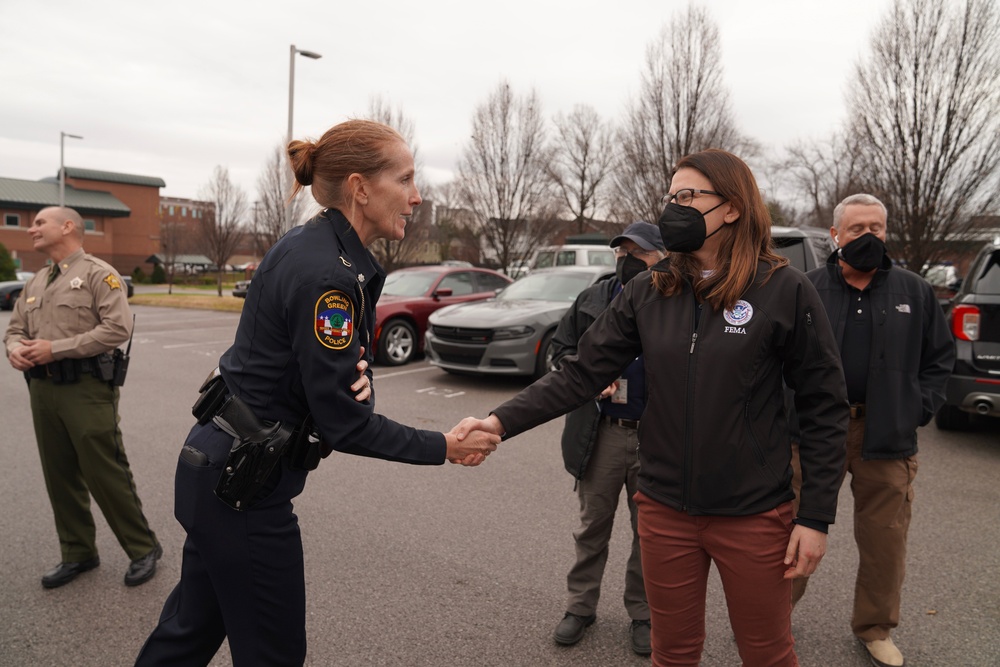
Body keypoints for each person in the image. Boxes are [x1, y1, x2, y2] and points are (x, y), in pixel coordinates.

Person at [455, 149, 849, 666]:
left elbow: (824, 405)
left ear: (731, 207)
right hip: (664, 510)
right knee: (672, 653)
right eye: (670, 197)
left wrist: (815, 516)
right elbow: (581, 373)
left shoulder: (783, 289)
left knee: (768, 654)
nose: (673, 208)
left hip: (753, 512)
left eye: (688, 197)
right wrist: (498, 422)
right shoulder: (649, 289)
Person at [134, 119, 498, 667]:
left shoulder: (309, 247)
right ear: (360, 188)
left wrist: (356, 376)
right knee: (272, 654)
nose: (416, 197)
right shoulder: (329, 274)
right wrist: (444, 445)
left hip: (216, 469)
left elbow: (302, 373)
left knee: (187, 633)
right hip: (245, 490)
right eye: (405, 179)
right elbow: (346, 423)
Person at [790, 193, 953, 667]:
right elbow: (775, 358)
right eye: (857, 228)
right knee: (794, 531)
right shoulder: (806, 288)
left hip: (886, 438)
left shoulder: (915, 292)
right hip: (814, 435)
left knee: (885, 542)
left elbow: (939, 360)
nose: (868, 237)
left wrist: (917, 410)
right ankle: (772, 618)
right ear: (836, 236)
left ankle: (875, 627)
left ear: (886, 232)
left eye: (876, 228)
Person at [4, 206, 162, 589]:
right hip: (42, 390)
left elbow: (117, 328)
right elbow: (13, 329)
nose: (31, 229)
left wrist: (55, 349)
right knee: (58, 474)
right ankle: (78, 552)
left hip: (87, 390)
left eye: (40, 222)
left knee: (104, 471)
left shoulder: (97, 273)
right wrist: (12, 348)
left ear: (68, 226)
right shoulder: (36, 281)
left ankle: (143, 549)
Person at [550, 221, 665, 656]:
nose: (627, 260)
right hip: (602, 434)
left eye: (639, 253)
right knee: (592, 527)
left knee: (649, 535)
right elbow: (561, 352)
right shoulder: (593, 299)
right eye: (621, 253)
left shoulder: (674, 302)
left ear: (661, 257)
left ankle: (643, 613)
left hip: (656, 438)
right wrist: (584, 380)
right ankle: (580, 607)